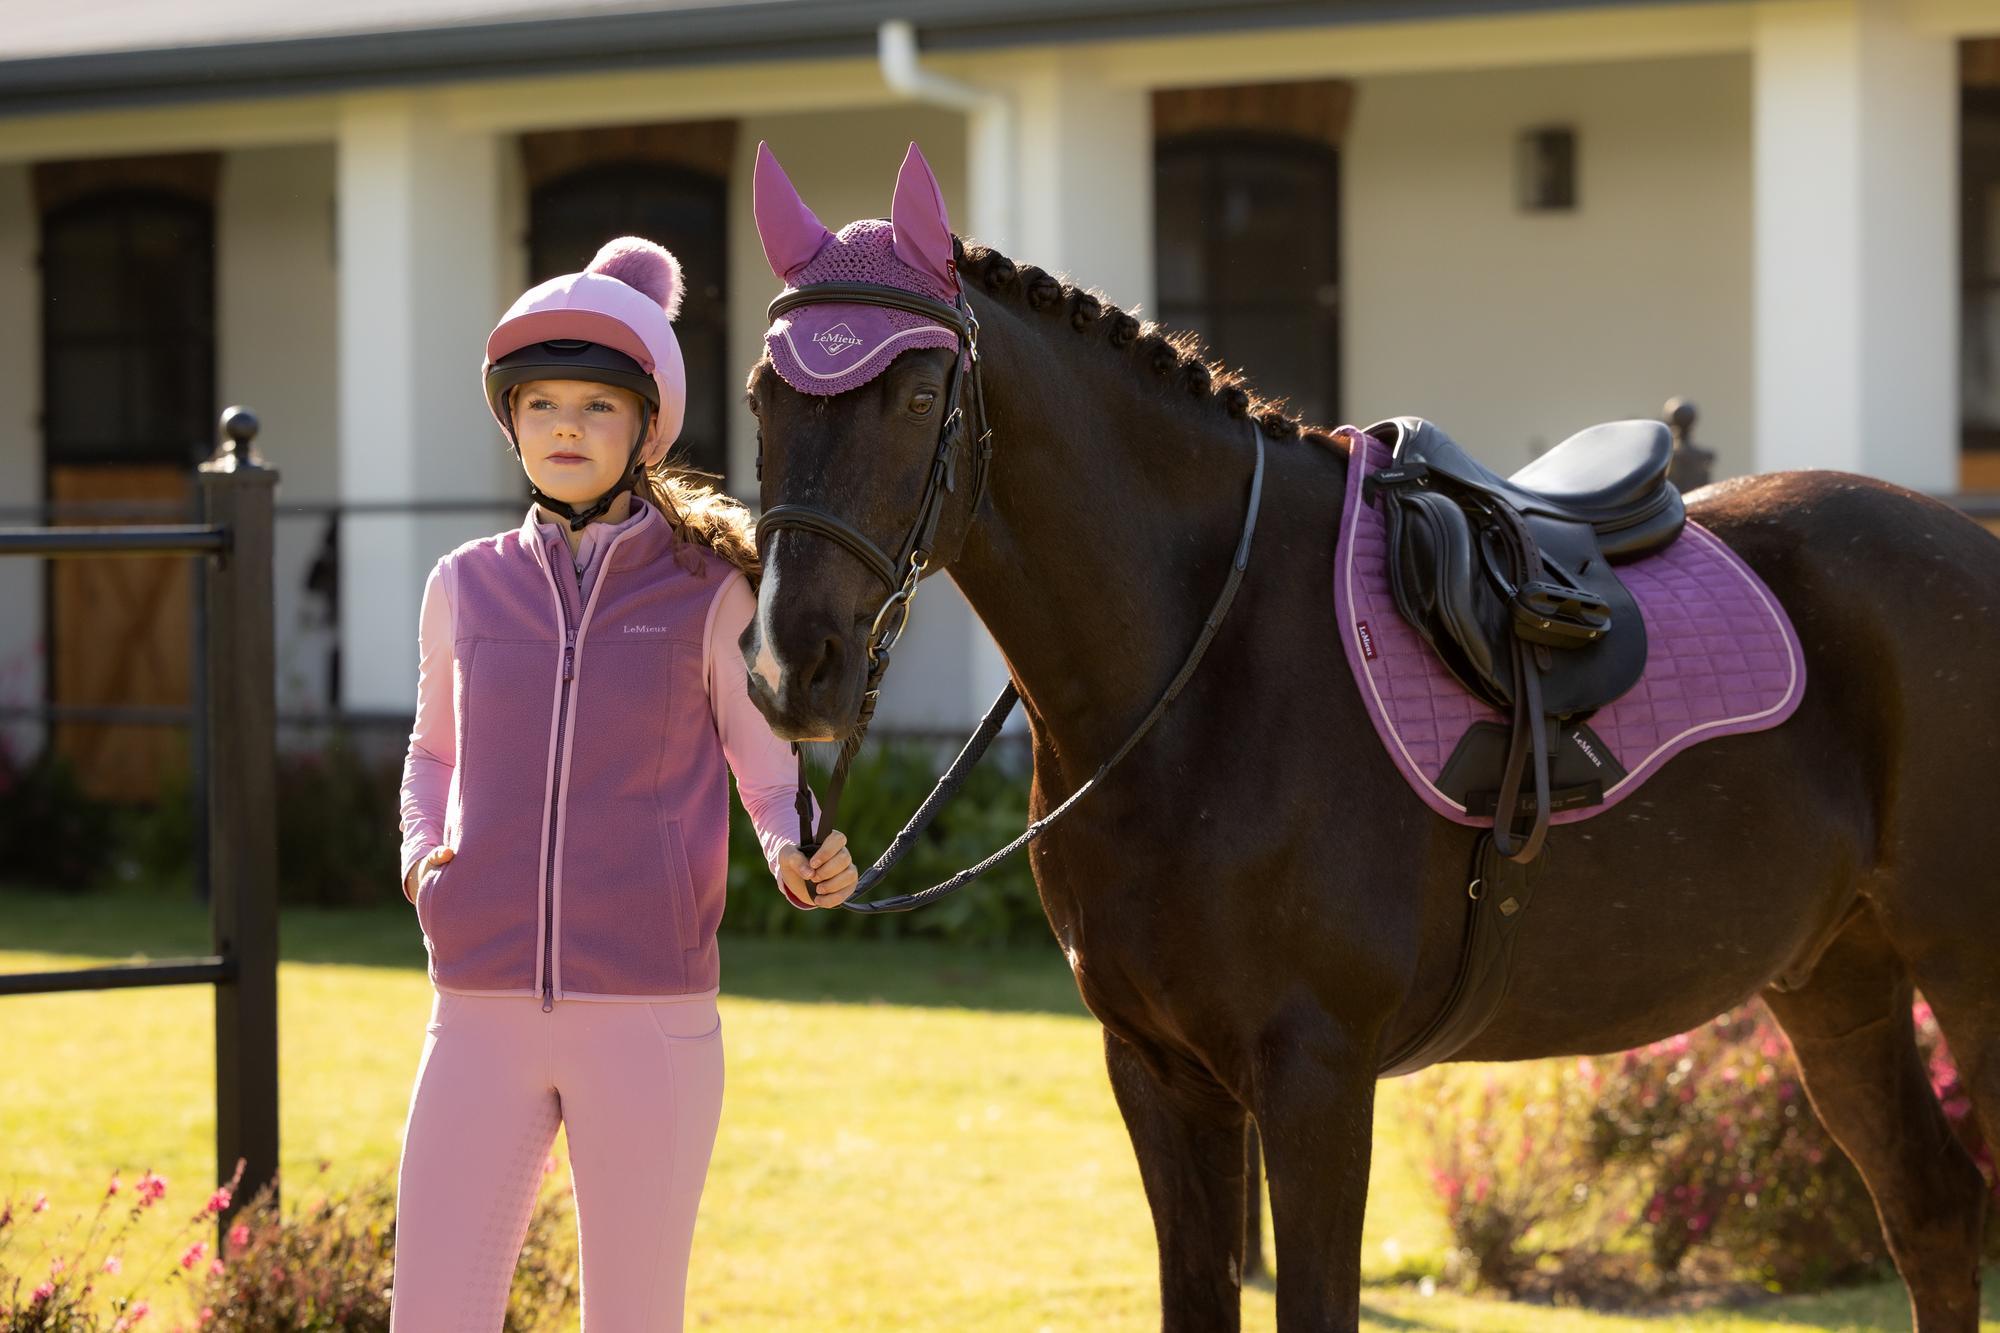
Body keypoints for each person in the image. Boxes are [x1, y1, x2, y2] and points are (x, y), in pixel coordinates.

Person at [389, 235, 852, 1330]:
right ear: (510, 420)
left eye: (595, 406)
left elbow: (765, 771)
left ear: (646, 427)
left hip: (647, 1017)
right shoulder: (465, 587)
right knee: (432, 1314)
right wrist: (421, 859)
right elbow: (431, 751)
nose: (563, 426)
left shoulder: (706, 593)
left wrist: (794, 849)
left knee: (634, 1318)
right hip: (478, 1007)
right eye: (540, 402)